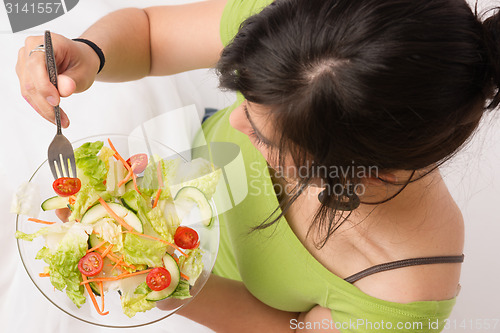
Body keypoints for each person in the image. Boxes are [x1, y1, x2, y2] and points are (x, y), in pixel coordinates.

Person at [16, 0, 500, 331]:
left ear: (370, 172)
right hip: (169, 151)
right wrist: (89, 54)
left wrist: (160, 280)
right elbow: (147, 34)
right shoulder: (309, 32)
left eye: (264, 135)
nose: (239, 125)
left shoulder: (403, 290)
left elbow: (286, 329)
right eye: (242, 99)